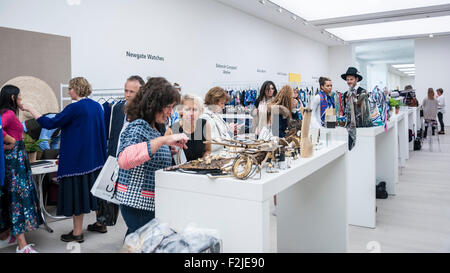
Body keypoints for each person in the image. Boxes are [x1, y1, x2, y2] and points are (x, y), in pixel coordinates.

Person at [22, 77, 107, 243]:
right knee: (94, 193)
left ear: (76, 89)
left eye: (70, 88)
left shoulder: (74, 108)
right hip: (95, 160)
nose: (68, 91)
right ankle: (101, 223)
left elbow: (49, 123)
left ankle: (77, 233)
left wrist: (31, 109)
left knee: (78, 196)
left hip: (78, 162)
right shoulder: (97, 106)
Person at [115, 77, 188, 236]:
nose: (170, 112)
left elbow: (147, 153)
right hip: (137, 203)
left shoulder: (154, 127)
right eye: (167, 107)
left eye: (172, 107)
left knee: (136, 241)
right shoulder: (138, 126)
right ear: (154, 104)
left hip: (145, 202)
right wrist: (163, 140)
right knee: (141, 242)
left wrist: (167, 149)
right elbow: (124, 159)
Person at [87, 75, 145, 234]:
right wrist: (110, 156)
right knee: (106, 192)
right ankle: (103, 221)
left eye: (132, 92)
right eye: (126, 90)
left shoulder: (147, 112)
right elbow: (113, 134)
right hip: (115, 158)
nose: (127, 94)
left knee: (132, 203)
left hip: (136, 163)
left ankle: (133, 234)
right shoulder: (117, 109)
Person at [0, 85, 42, 253]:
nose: (20, 100)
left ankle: (10, 235)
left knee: (14, 197)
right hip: (14, 163)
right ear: (12, 98)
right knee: (18, 199)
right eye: (19, 97)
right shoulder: (8, 114)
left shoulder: (7, 113)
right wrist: (9, 140)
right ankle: (22, 245)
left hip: (16, 161)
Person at [171, 94, 212, 162]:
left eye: (195, 109)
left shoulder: (205, 124)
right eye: (187, 109)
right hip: (180, 170)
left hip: (200, 168)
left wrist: (201, 163)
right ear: (181, 111)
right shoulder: (173, 129)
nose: (191, 113)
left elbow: (208, 150)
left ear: (200, 112)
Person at [200, 87, 238, 154]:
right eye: (222, 103)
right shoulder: (205, 118)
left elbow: (221, 132)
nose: (223, 107)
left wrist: (229, 128)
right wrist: (230, 133)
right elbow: (212, 144)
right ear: (213, 102)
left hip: (221, 154)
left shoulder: (216, 115)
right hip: (214, 156)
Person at [341, 67, 371, 150]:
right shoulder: (345, 94)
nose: (349, 81)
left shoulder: (362, 92)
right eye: (347, 79)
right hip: (349, 128)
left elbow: (366, 111)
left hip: (361, 127)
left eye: (351, 79)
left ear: (356, 79)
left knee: (362, 149)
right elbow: (345, 111)